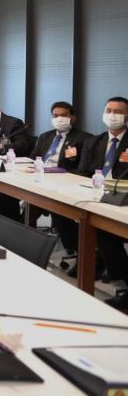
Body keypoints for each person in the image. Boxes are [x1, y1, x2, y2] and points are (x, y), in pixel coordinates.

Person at [27, 101, 91, 276]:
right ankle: (23, 240)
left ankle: (78, 249)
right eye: (55, 116)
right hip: (40, 179)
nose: (59, 119)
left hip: (64, 183)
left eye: (63, 115)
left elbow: (83, 169)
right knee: (24, 203)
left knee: (58, 210)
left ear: (72, 118)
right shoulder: (45, 136)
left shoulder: (84, 139)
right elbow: (33, 158)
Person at [78, 96, 128, 309]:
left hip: (122, 199)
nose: (112, 115)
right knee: (94, 228)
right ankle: (111, 268)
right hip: (94, 194)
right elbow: (83, 173)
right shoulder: (93, 142)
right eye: (109, 110)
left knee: (105, 233)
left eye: (118, 111)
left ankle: (118, 275)